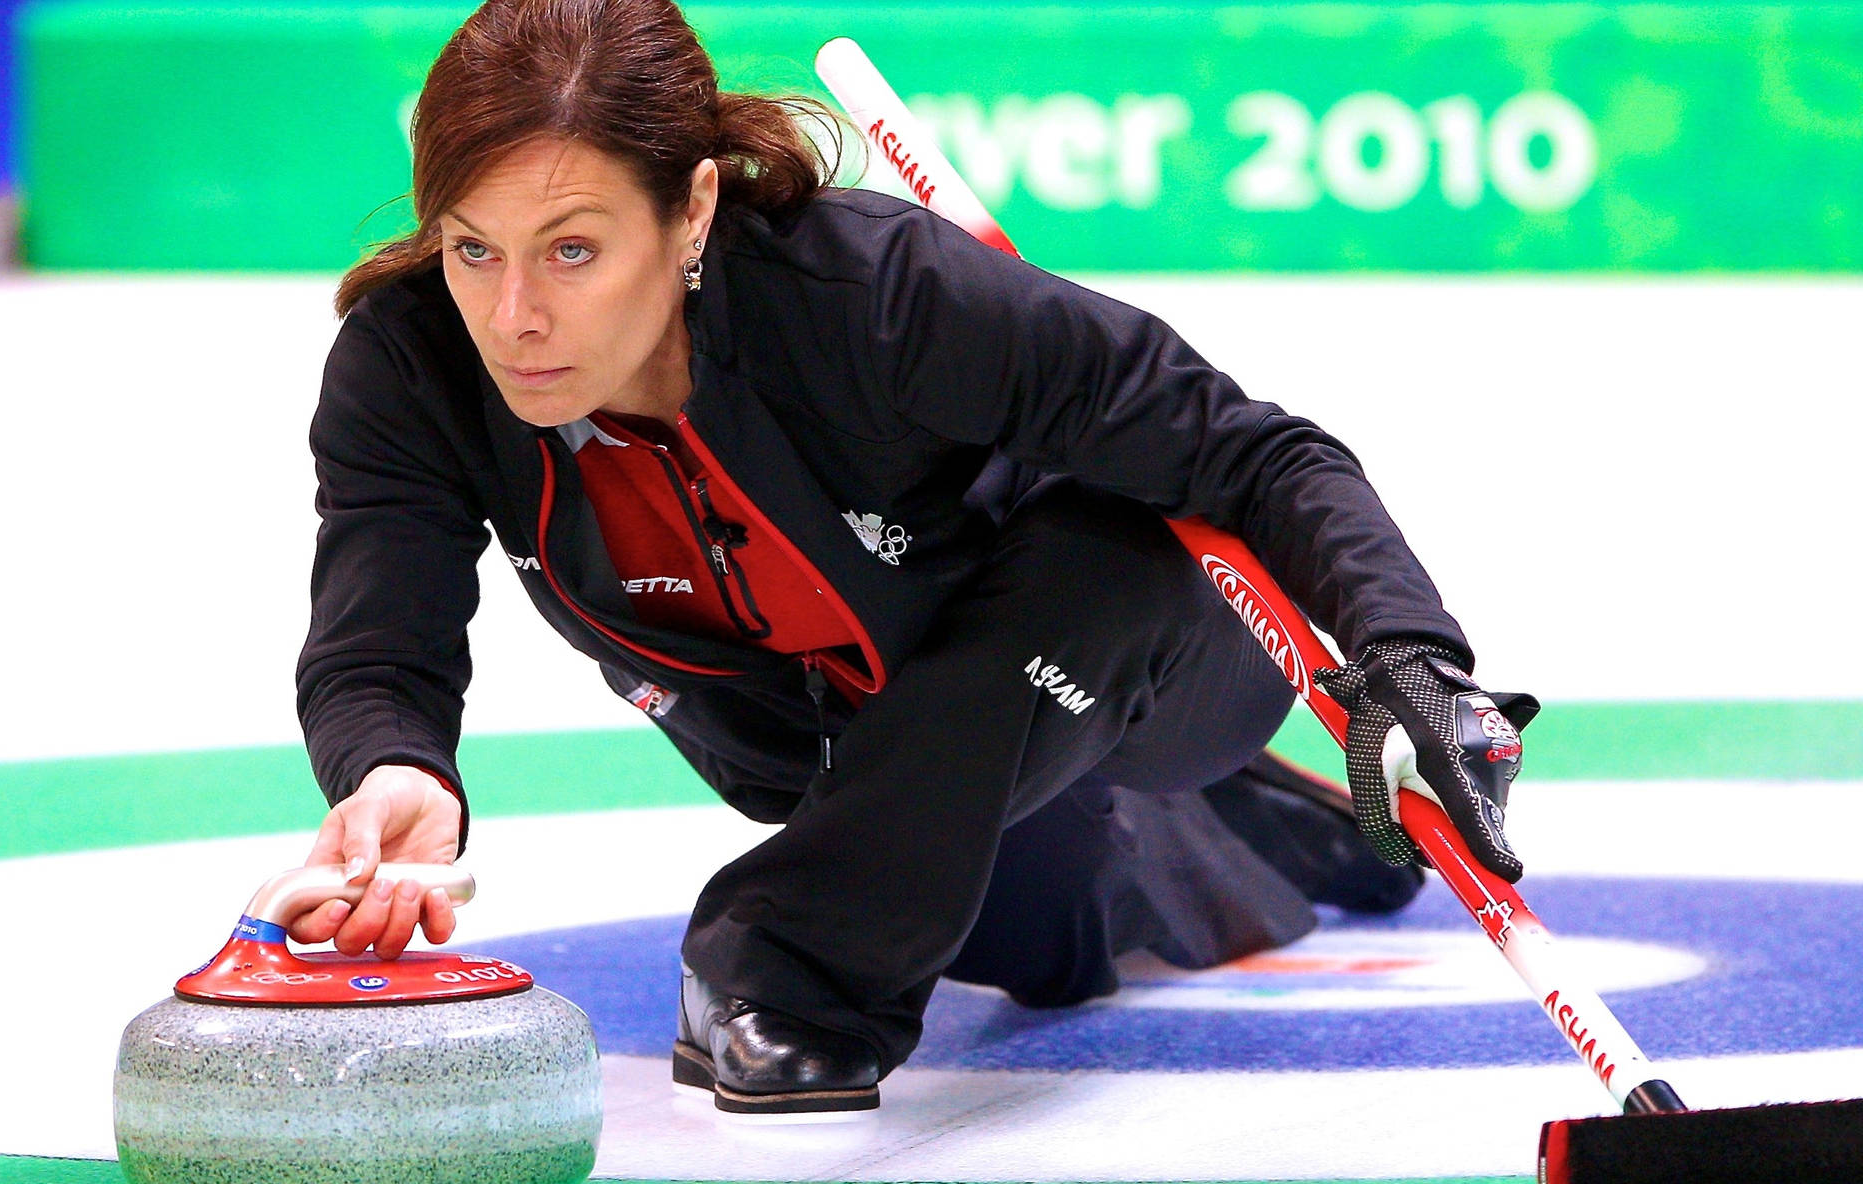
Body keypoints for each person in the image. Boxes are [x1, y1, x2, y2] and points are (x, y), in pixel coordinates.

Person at [290, 0, 1536, 1116]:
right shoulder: (414, 374)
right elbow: (376, 648)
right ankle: (1242, 831)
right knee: (1044, 933)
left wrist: (1409, 656)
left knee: (1085, 573)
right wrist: (396, 773)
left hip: (1144, 631)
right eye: (471, 248)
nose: (515, 316)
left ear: (695, 209)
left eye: (572, 249)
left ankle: (776, 959)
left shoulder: (873, 293)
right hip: (877, 755)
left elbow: (1253, 453)